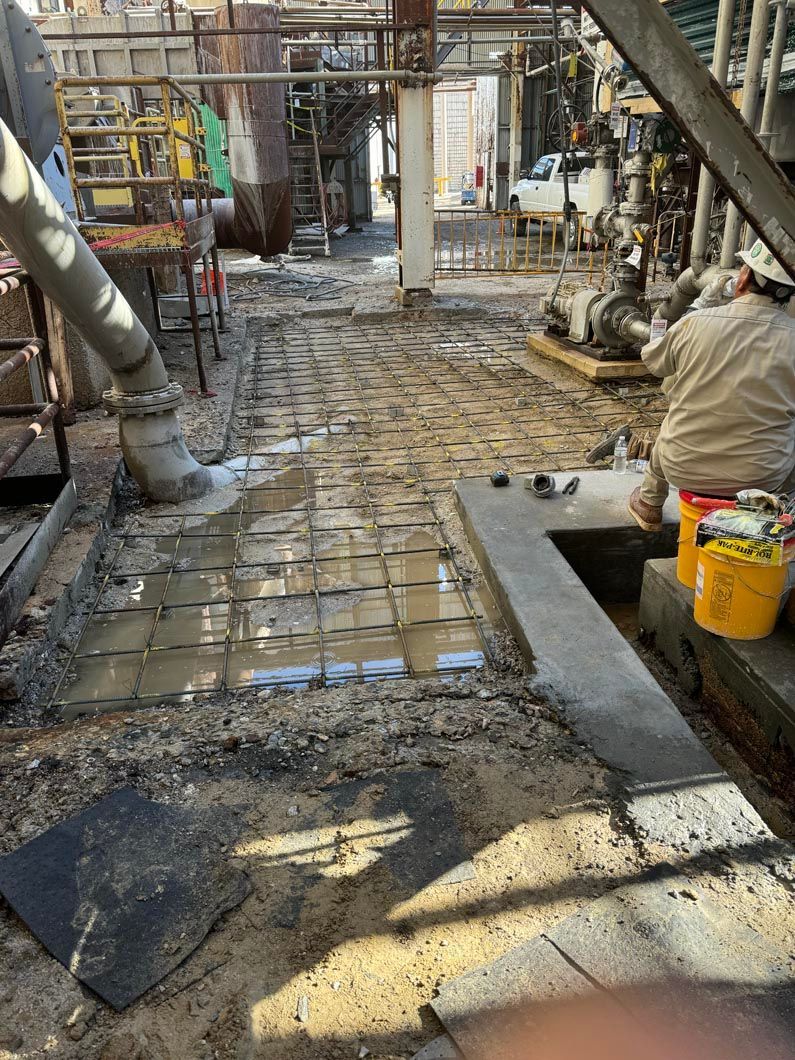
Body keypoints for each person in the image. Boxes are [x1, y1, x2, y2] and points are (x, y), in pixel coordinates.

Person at [628, 238, 795, 531]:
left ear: (743, 278)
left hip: (683, 465)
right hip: (765, 477)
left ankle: (649, 502)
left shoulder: (696, 323)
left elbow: (656, 363)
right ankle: (781, 517)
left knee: (676, 402)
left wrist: (696, 310)